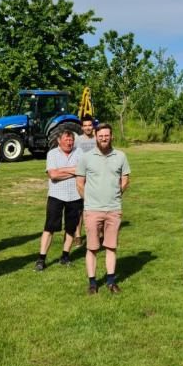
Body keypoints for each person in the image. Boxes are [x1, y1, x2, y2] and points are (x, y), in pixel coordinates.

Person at [76, 123, 130, 294]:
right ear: (96, 136)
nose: (104, 138)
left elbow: (125, 180)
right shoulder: (86, 157)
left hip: (114, 209)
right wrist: (89, 201)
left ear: (111, 136)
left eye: (106, 135)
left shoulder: (121, 156)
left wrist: (115, 195)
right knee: (92, 247)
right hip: (92, 210)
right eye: (101, 136)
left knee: (111, 247)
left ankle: (111, 281)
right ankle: (92, 283)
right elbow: (79, 183)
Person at [35, 130, 83, 271]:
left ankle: (65, 256)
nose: (69, 142)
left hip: (75, 196)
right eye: (66, 140)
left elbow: (83, 170)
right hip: (56, 195)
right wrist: (73, 171)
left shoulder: (79, 152)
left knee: (71, 228)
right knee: (49, 227)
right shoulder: (52, 154)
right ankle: (41, 259)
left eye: (71, 140)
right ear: (58, 141)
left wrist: (62, 170)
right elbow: (53, 175)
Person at [73, 116, 97, 247]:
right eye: (85, 125)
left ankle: (96, 233)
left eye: (90, 125)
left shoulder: (98, 139)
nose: (88, 127)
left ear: (93, 126)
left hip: (96, 179)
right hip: (82, 178)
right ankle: (77, 235)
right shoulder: (77, 140)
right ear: (82, 127)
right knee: (79, 208)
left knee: (95, 207)